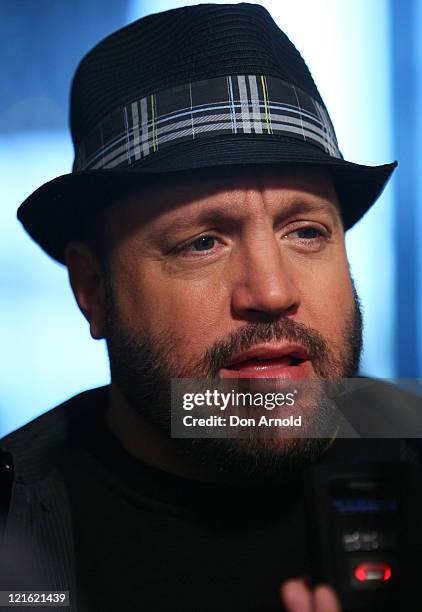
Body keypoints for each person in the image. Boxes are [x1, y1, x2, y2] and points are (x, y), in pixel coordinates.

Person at [1, 4, 421, 611]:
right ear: (93, 290)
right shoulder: (17, 524)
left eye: (305, 232)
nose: (273, 293)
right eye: (202, 242)